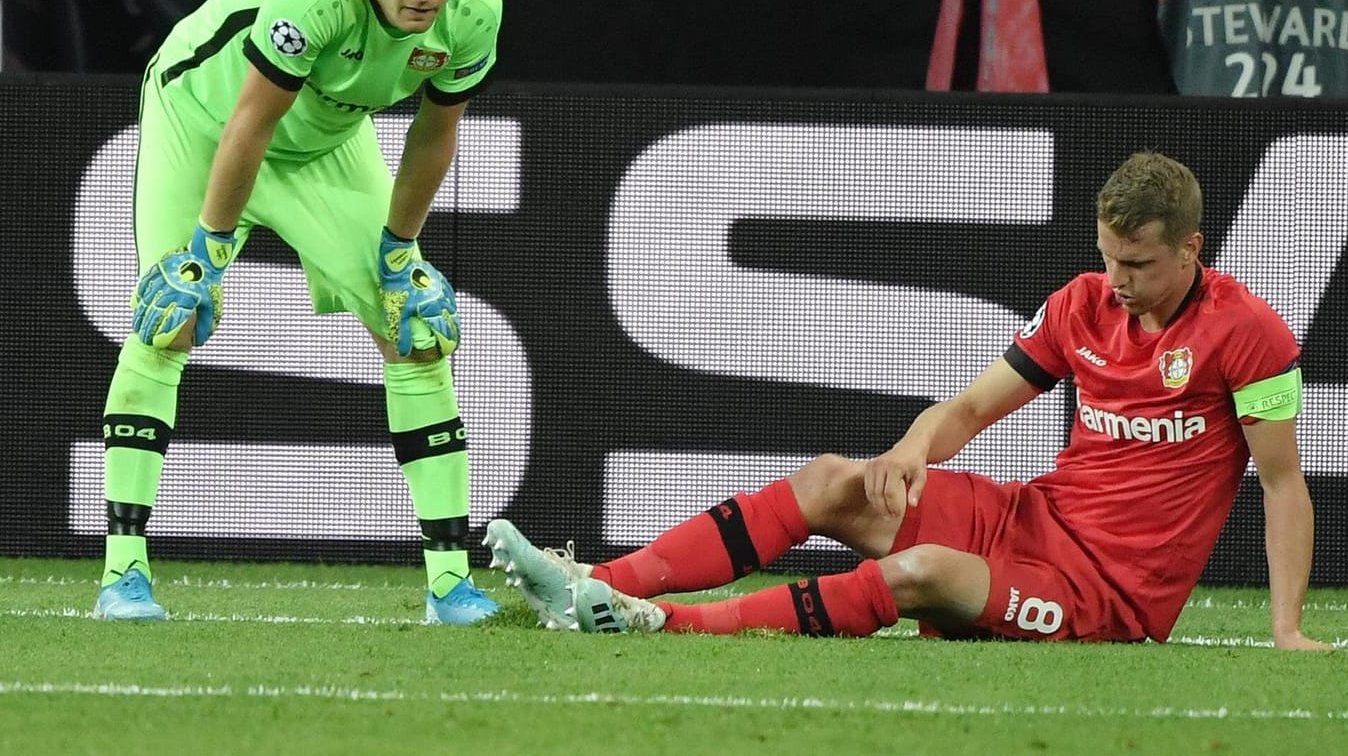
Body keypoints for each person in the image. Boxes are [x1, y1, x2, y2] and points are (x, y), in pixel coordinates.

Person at [486, 151, 1332, 649]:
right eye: (1108, 256)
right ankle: (590, 583)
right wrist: (906, 452)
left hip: (1111, 594)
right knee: (831, 480)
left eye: (1138, 265)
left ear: (1192, 248)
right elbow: (965, 411)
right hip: (1037, 520)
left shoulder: (1249, 334)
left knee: (921, 571)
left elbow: (1283, 483)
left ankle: (657, 622)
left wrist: (1287, 627)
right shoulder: (1082, 302)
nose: (1117, 280)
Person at [94, 0, 501, 624]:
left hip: (325, 141)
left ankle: (450, 584)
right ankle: (123, 573)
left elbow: (436, 133)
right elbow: (251, 120)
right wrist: (206, 254)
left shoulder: (475, 10)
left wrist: (400, 252)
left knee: (414, 328)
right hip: (205, 121)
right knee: (169, 315)